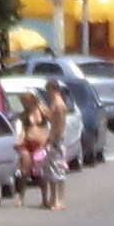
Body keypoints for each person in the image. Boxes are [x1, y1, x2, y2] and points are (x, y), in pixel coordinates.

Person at [15, 91, 50, 208]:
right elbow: (24, 130)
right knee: (24, 171)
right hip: (27, 143)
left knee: (40, 173)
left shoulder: (42, 110)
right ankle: (21, 197)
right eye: (22, 102)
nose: (24, 104)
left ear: (32, 100)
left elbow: (54, 122)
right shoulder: (24, 115)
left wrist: (49, 138)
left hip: (40, 144)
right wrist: (19, 141)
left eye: (25, 101)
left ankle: (45, 198)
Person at [44, 80, 69, 211]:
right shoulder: (54, 104)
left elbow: (58, 125)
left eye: (48, 90)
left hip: (56, 141)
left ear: (53, 89)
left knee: (58, 170)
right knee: (51, 171)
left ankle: (59, 200)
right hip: (53, 139)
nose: (47, 93)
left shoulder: (59, 104)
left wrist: (52, 139)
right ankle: (53, 198)